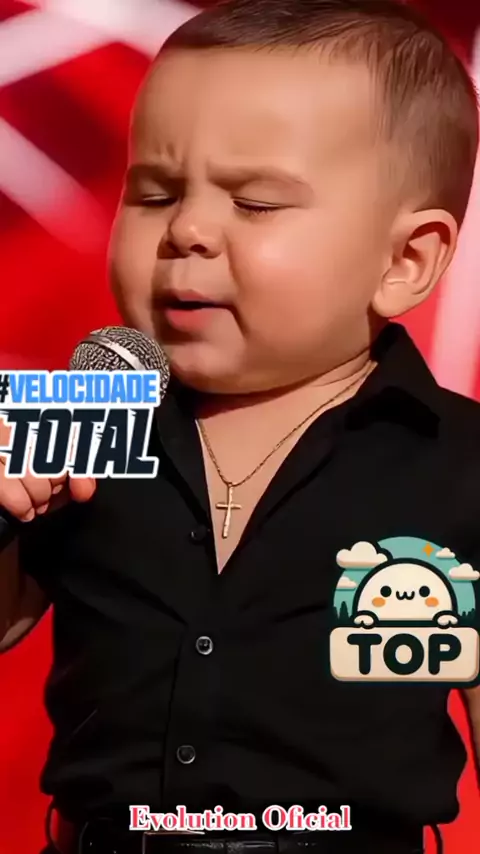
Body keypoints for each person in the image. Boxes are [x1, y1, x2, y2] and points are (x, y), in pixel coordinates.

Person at [0, 0, 479, 852]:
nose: (186, 231)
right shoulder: (81, 414)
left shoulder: (458, 460)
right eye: (153, 193)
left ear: (405, 260)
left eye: (255, 203)